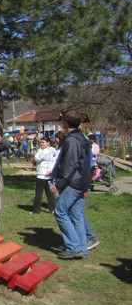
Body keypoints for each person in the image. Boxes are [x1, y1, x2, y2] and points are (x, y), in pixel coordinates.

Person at [49, 110, 92, 259]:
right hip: (83, 181)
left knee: (60, 212)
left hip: (74, 182)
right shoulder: (83, 138)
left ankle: (74, 247)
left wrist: (59, 184)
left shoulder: (72, 140)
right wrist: (54, 172)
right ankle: (82, 248)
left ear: (66, 123)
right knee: (76, 214)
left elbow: (70, 165)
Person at [31, 136, 57, 214]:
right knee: (50, 193)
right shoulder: (53, 150)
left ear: (48, 143)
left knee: (39, 193)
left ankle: (36, 210)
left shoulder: (43, 151)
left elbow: (37, 158)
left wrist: (39, 151)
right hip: (50, 174)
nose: (41, 144)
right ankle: (52, 209)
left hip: (42, 174)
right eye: (41, 142)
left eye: (43, 142)